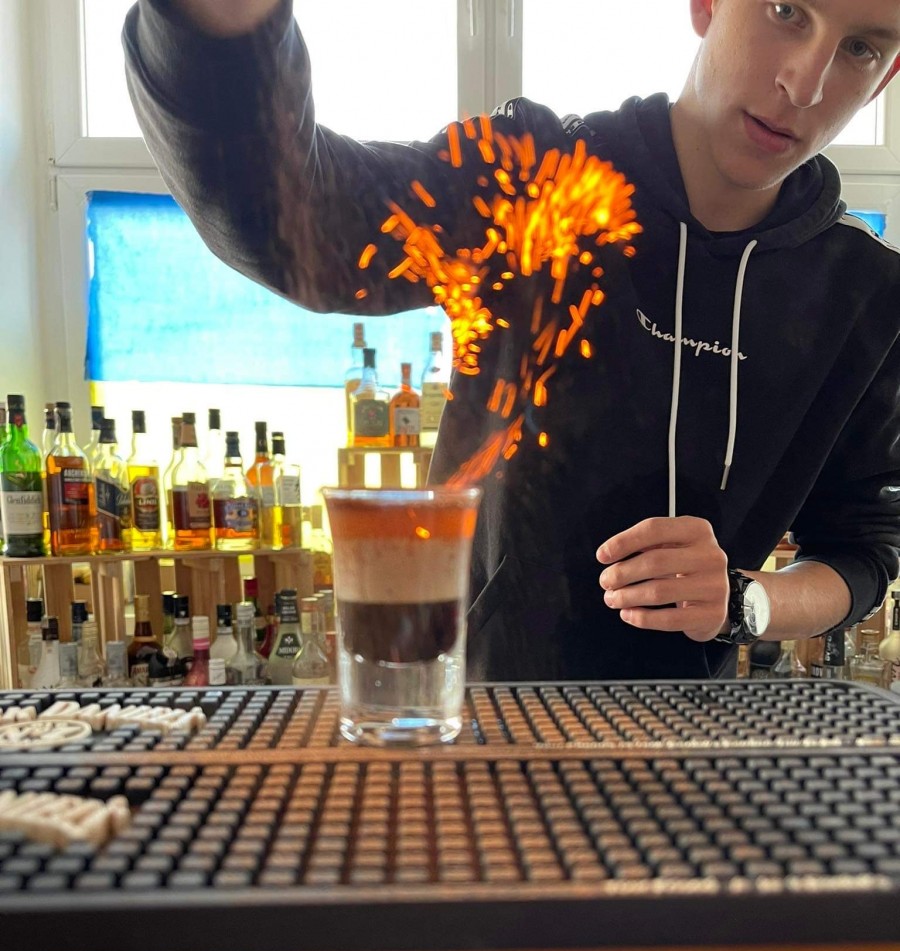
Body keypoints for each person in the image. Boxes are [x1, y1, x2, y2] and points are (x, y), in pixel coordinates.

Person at [123, 0, 900, 681]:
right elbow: (299, 221)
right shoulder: (535, 181)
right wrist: (221, 25)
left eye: (861, 47)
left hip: (684, 738)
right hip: (479, 716)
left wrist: (744, 601)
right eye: (785, 11)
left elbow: (864, 544)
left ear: (887, 74)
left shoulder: (864, 294)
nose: (805, 83)